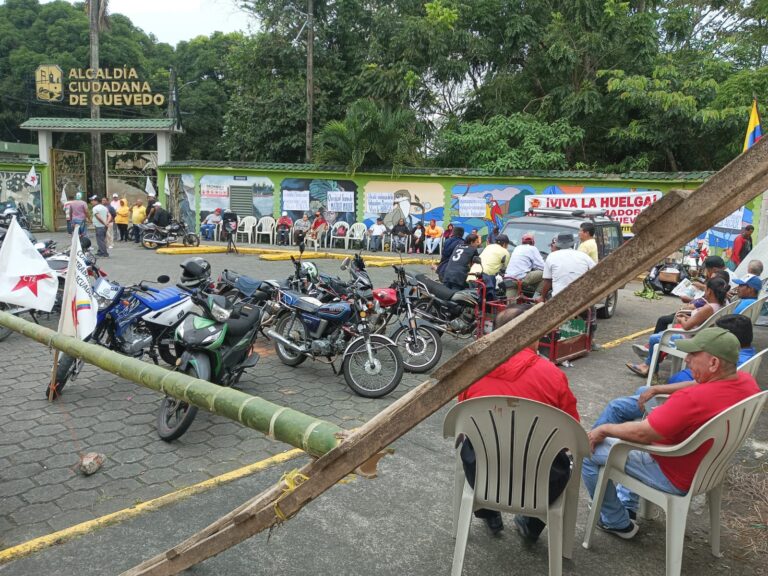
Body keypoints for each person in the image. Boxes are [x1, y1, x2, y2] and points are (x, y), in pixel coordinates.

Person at [583, 327, 759, 539]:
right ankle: (628, 503)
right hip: (706, 467)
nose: (686, 359)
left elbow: (642, 435)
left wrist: (603, 430)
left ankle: (616, 521)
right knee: (640, 412)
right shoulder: (746, 382)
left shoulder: (693, 400)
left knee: (589, 449)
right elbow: (698, 383)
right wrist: (660, 389)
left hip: (671, 471)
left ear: (713, 363)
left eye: (693, 355)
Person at [458, 305, 579, 538]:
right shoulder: (552, 375)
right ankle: (532, 526)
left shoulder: (472, 371)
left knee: (476, 445)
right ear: (532, 334)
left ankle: (488, 511)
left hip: (483, 476)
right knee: (561, 457)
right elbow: (570, 433)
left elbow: (463, 424)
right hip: (541, 484)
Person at [627, 276, 729, 377]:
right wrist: (687, 317)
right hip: (697, 335)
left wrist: (681, 319)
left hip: (689, 338)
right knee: (660, 335)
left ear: (709, 291)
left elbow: (687, 327)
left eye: (705, 289)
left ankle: (649, 368)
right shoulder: (721, 305)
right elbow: (699, 321)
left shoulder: (708, 307)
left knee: (654, 338)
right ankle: (649, 367)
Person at [539, 232, 595, 300]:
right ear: (573, 243)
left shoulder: (551, 256)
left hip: (558, 298)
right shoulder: (583, 256)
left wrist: (542, 297)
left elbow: (547, 281)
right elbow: (595, 272)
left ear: (558, 245)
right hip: (581, 298)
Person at [478, 234, 510, 299]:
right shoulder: (505, 252)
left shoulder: (488, 246)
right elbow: (506, 268)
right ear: (504, 244)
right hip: (487, 277)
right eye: (507, 245)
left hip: (475, 272)